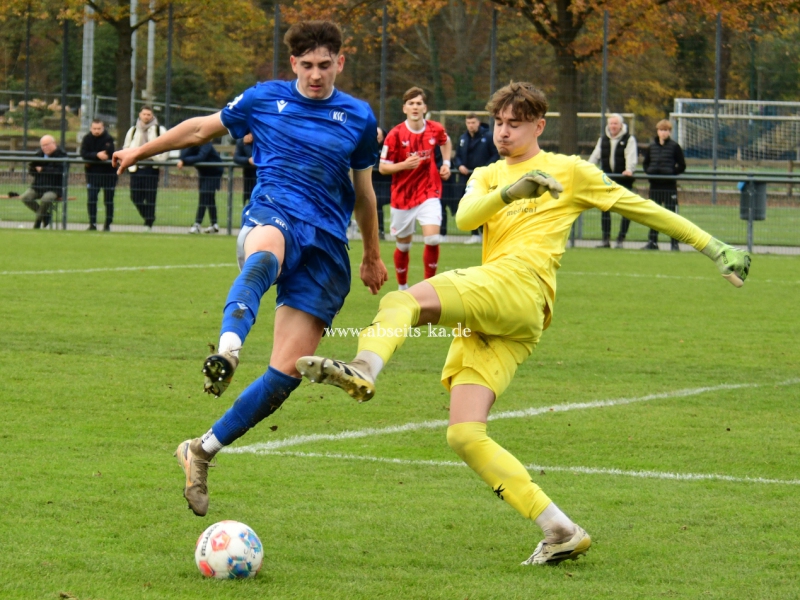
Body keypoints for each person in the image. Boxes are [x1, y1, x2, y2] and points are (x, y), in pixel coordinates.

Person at [295, 82, 751, 565]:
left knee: (402, 300)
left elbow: (643, 208)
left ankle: (364, 366)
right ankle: (559, 528)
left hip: (520, 286)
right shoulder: (490, 174)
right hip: (509, 316)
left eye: (515, 123)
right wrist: (512, 190)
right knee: (464, 434)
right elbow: (468, 217)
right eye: (499, 123)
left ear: (539, 125)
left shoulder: (570, 171)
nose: (504, 132)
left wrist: (714, 246)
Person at [112, 19, 387, 518]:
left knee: (286, 375)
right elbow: (199, 128)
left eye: (325, 65)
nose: (316, 75)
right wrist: (138, 150)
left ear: (340, 62)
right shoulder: (265, 99)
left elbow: (365, 194)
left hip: (327, 247)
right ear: (294, 65)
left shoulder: (359, 117)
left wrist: (371, 252)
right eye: (307, 65)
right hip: (275, 214)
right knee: (263, 254)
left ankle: (200, 450)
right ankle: (229, 348)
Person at [379, 87, 452, 290]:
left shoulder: (435, 129)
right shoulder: (395, 135)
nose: (415, 107)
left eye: (419, 103)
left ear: (425, 108)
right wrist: (404, 165)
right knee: (403, 245)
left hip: (429, 191)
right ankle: (403, 288)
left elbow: (446, 142)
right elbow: (383, 167)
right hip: (403, 196)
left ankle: (429, 286)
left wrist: (446, 164)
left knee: (433, 238)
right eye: (411, 103)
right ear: (404, 108)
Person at [588, 113, 637, 248]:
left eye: (615, 123)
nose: (613, 126)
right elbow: (594, 156)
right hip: (607, 180)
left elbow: (630, 156)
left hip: (624, 180)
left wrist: (629, 170)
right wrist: (587, 169)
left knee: (626, 210)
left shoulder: (629, 139)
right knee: (605, 209)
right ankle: (606, 239)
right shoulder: (602, 139)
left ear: (621, 125)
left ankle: (621, 239)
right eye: (611, 123)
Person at [122, 106, 172, 231]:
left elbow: (166, 146)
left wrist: (160, 159)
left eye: (149, 114)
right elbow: (126, 146)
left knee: (150, 196)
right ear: (140, 114)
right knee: (135, 197)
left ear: (152, 115)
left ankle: (148, 223)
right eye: (144, 114)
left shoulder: (160, 130)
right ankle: (149, 217)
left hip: (151, 168)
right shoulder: (133, 130)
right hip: (136, 168)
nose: (146, 116)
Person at [453, 113, 499, 244]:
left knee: (484, 205)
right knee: (468, 204)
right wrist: (460, 165)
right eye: (468, 123)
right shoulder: (463, 138)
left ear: (478, 123)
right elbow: (457, 156)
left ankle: (486, 233)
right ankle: (474, 234)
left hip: (485, 178)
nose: (470, 125)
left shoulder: (488, 136)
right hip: (466, 178)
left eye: (473, 123)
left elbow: (495, 155)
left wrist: (484, 169)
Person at [643, 119, 687, 251]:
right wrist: (650, 172)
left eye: (666, 130)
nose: (663, 133)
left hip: (669, 187)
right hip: (655, 186)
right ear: (658, 131)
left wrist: (672, 173)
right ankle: (652, 241)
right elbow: (646, 163)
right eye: (661, 130)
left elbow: (682, 165)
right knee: (654, 214)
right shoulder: (652, 147)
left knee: (671, 215)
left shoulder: (674, 147)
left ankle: (674, 243)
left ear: (669, 132)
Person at [19, 135, 68, 229]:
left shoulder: (62, 155)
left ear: (54, 143)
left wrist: (43, 169)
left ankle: (37, 222)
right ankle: (45, 216)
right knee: (26, 197)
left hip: (54, 188)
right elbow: (32, 169)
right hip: (38, 186)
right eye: (42, 145)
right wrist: (35, 169)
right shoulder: (39, 154)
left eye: (47, 145)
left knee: (46, 198)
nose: (44, 147)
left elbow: (59, 171)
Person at [178, 141, 225, 234]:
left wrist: (184, 161)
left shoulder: (206, 143)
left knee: (204, 196)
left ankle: (197, 224)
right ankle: (214, 224)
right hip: (204, 173)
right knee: (209, 198)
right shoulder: (194, 144)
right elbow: (183, 155)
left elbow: (200, 157)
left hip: (214, 172)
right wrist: (183, 157)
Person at [80, 119, 117, 231]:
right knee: (92, 199)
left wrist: (93, 156)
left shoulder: (108, 139)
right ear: (91, 128)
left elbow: (108, 154)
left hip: (108, 175)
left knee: (108, 200)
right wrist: (96, 155)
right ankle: (92, 223)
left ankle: (107, 224)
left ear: (103, 128)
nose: (96, 131)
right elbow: (83, 153)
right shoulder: (87, 139)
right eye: (94, 128)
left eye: (99, 129)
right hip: (92, 175)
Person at [233, 133, 257, 205]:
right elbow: (236, 158)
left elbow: (255, 158)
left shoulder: (262, 140)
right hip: (249, 178)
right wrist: (248, 160)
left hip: (262, 177)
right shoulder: (242, 141)